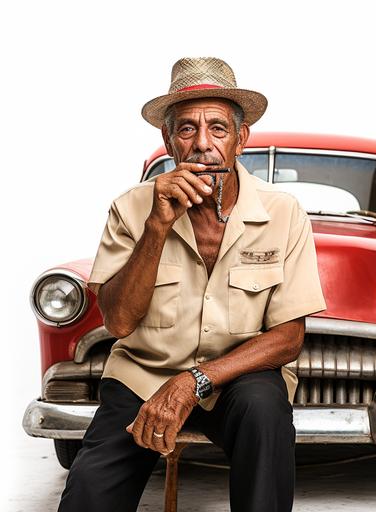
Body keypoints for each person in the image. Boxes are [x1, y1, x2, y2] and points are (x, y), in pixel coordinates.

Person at [58, 56, 326, 512]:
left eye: (218, 129)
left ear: (241, 139)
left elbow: (288, 337)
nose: (203, 144)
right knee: (88, 493)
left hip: (239, 379)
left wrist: (194, 381)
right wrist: (157, 227)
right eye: (186, 130)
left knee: (265, 411)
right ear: (168, 141)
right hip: (143, 377)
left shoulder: (284, 213)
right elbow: (119, 322)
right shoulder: (131, 209)